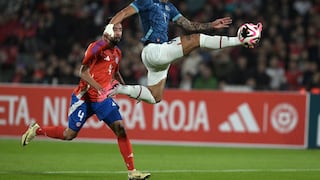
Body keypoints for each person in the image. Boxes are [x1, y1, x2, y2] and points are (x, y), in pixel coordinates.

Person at [21, 22, 151, 180]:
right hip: (84, 97)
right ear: (107, 32)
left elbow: (115, 74)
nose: (119, 33)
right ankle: (36, 130)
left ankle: (132, 172)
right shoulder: (96, 48)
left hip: (102, 99)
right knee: (69, 134)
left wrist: (129, 92)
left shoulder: (117, 53)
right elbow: (82, 72)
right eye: (115, 29)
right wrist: (99, 88)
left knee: (120, 129)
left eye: (121, 30)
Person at [104, 0, 262, 104]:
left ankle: (119, 89)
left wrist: (211, 25)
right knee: (196, 39)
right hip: (154, 50)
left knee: (154, 97)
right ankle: (238, 40)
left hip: (160, 57)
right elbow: (123, 13)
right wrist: (109, 32)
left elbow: (188, 25)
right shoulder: (146, 1)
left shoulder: (169, 7)